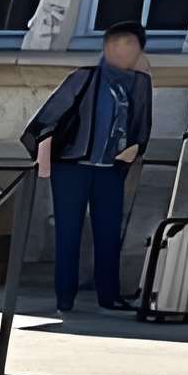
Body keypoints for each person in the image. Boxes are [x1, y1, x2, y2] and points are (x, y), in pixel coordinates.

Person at [23, 23, 153, 315]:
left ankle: (109, 296)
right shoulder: (84, 78)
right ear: (106, 48)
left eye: (131, 45)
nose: (124, 50)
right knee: (69, 232)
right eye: (117, 44)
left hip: (109, 170)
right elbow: (48, 118)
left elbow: (142, 125)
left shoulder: (140, 84)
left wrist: (136, 147)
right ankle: (65, 298)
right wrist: (43, 154)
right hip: (72, 167)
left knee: (108, 233)